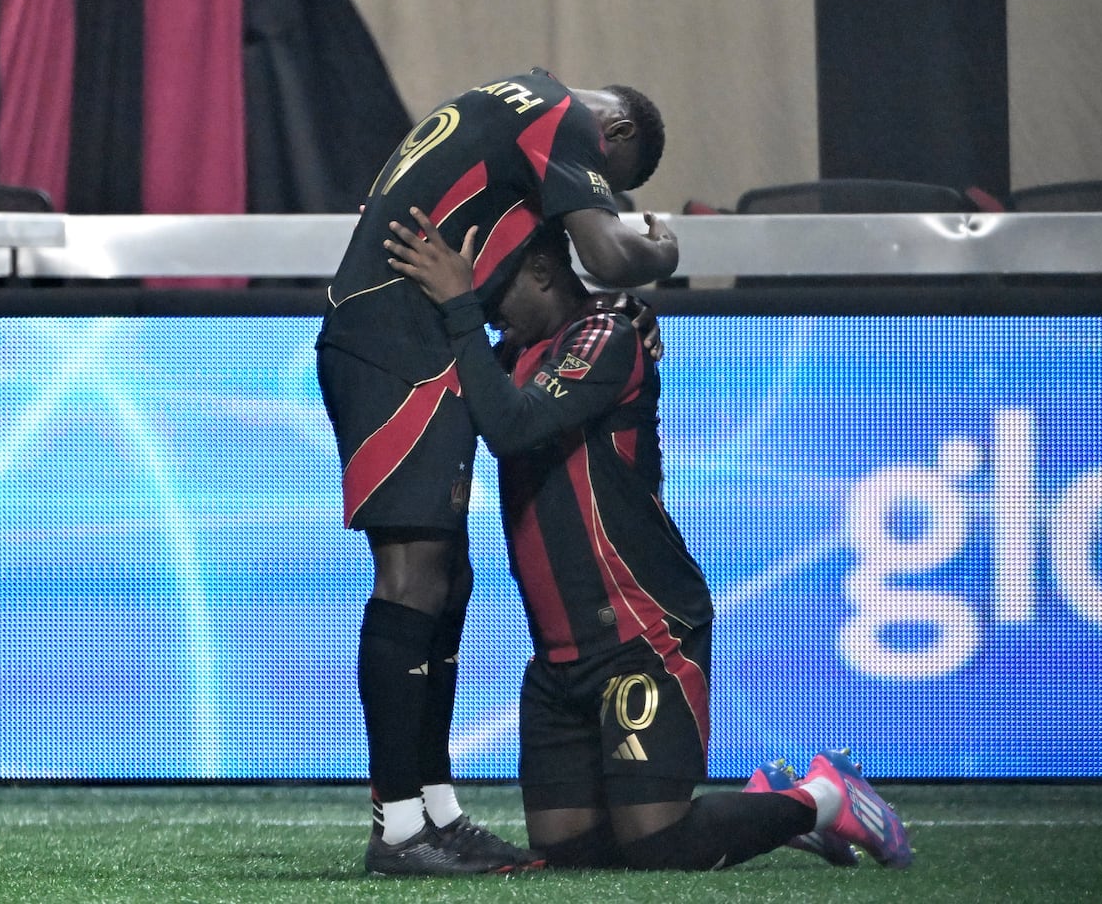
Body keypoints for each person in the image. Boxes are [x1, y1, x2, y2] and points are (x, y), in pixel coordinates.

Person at [383, 211, 915, 872]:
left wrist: (462, 304)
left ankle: (821, 799)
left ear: (543, 272)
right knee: (570, 853)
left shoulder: (604, 336)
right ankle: (764, 811)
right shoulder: (513, 350)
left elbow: (513, 428)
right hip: (558, 652)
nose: (489, 312)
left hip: (641, 630)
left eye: (495, 293)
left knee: (656, 841)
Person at [316, 67, 680, 875]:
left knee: (447, 578)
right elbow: (610, 256)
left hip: (420, 343)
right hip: (394, 345)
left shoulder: (506, 110)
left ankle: (433, 812)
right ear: (613, 136)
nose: (585, 198)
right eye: (605, 186)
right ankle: (400, 828)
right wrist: (666, 245)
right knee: (411, 577)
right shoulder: (558, 116)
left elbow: (549, 271)